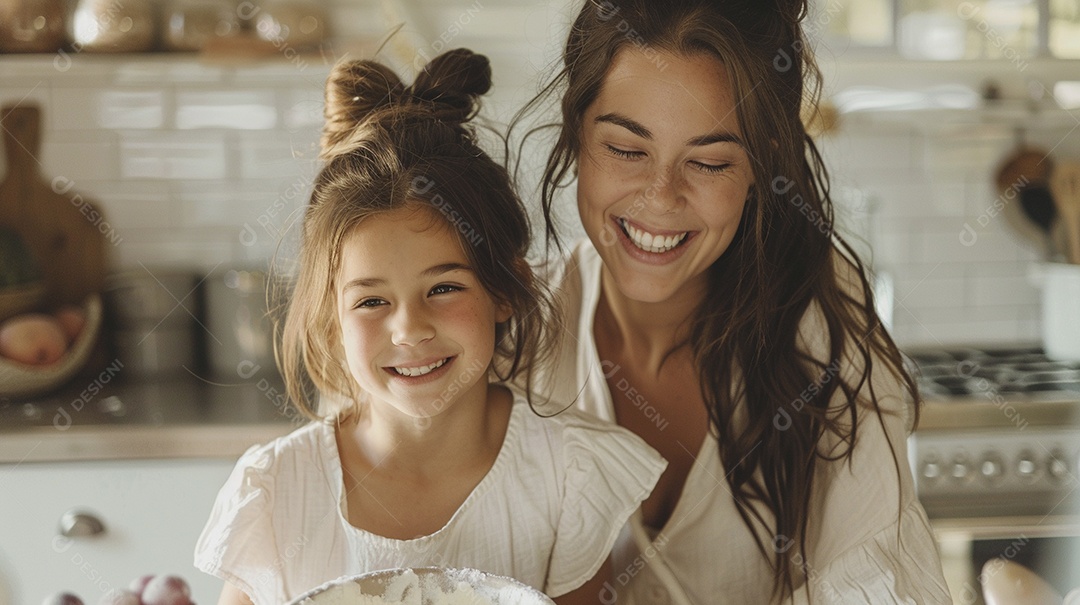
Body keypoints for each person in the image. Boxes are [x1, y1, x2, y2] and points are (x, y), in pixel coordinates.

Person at [514, 0, 952, 602]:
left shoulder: (825, 332)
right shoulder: (512, 337)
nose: (661, 198)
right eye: (626, 149)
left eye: (710, 162)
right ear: (577, 131)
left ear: (760, 164)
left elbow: (878, 584)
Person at [193, 49, 666, 605]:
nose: (410, 329)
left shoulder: (569, 477)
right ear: (329, 317)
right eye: (371, 301)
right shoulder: (277, 491)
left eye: (443, 288)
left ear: (504, 290)